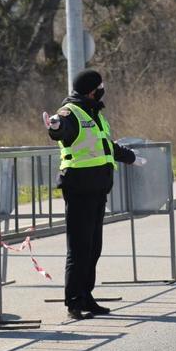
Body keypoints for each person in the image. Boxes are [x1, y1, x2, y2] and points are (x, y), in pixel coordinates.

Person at [44, 70, 144, 320]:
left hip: (98, 189)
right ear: (90, 90)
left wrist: (130, 157)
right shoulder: (70, 112)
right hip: (78, 188)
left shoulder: (94, 113)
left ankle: (87, 296)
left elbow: (104, 145)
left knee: (93, 248)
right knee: (79, 249)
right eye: (99, 86)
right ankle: (74, 302)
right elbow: (61, 129)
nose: (102, 89)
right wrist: (55, 127)